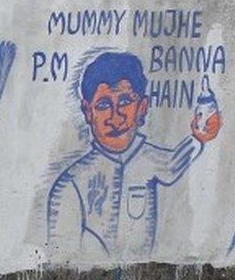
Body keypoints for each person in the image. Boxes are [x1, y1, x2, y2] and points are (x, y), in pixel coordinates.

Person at [47, 52, 221, 258]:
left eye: (124, 102)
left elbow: (173, 165)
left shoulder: (148, 158)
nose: (115, 116)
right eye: (103, 105)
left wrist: (200, 137)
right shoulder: (71, 183)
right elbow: (60, 255)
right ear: (87, 111)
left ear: (142, 108)